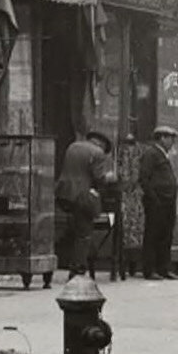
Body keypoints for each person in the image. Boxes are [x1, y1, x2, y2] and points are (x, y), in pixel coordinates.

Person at [56, 119, 112, 279]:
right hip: (82, 197)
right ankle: (78, 268)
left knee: (73, 230)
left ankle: (69, 261)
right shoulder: (97, 153)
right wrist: (110, 177)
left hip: (64, 194)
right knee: (84, 233)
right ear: (102, 144)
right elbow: (99, 177)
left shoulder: (73, 146)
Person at [136, 129, 178, 278]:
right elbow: (144, 178)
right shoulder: (151, 153)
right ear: (162, 138)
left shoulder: (162, 154)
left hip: (167, 201)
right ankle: (150, 269)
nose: (172, 142)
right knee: (153, 234)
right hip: (157, 201)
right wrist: (153, 197)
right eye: (170, 139)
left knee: (165, 235)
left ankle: (164, 268)